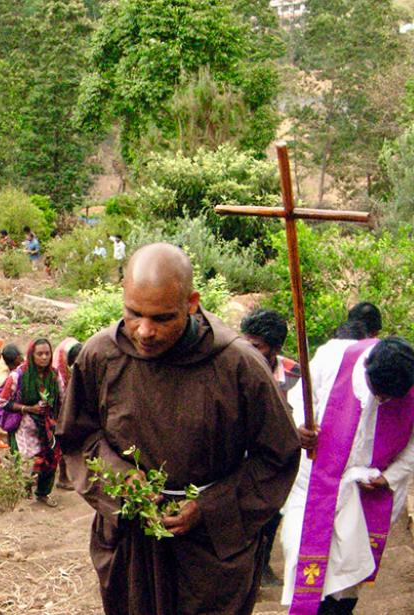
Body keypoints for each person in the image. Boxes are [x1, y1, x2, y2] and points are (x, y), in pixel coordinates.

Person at [57, 242, 301, 615]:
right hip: (131, 543)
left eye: (162, 318)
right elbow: (79, 437)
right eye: (133, 313)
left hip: (210, 552)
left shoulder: (238, 365)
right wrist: (121, 480)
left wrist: (208, 507)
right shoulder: (100, 355)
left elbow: (277, 457)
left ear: (191, 302)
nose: (144, 331)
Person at [281, 337, 414, 614]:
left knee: (348, 575)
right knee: (302, 559)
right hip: (314, 482)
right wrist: (300, 428)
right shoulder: (333, 358)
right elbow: (297, 400)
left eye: (389, 398)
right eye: (378, 393)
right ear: (367, 368)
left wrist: (389, 477)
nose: (382, 401)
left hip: (369, 489)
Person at [240, 308, 301, 587]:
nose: (248, 350)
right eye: (246, 342)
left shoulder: (296, 376)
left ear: (275, 348)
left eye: (257, 346)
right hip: (242, 456)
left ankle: (261, 566)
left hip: (275, 459)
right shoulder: (235, 366)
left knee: (272, 513)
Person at [0, 339, 62, 507]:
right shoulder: (18, 375)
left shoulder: (54, 375)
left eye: (47, 353)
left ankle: (43, 493)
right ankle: (24, 491)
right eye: (40, 354)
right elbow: (3, 402)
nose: (44, 357)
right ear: (31, 355)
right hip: (25, 427)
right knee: (27, 461)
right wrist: (28, 409)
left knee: (50, 458)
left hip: (47, 425)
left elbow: (63, 398)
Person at [240, 308, 301, 400]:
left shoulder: (298, 377)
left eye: (255, 346)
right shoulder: (235, 373)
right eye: (244, 344)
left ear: (276, 349)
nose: (247, 351)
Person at [52, 337, 82, 490]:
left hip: (72, 410)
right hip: (58, 412)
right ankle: (63, 476)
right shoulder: (58, 374)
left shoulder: (78, 366)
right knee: (62, 441)